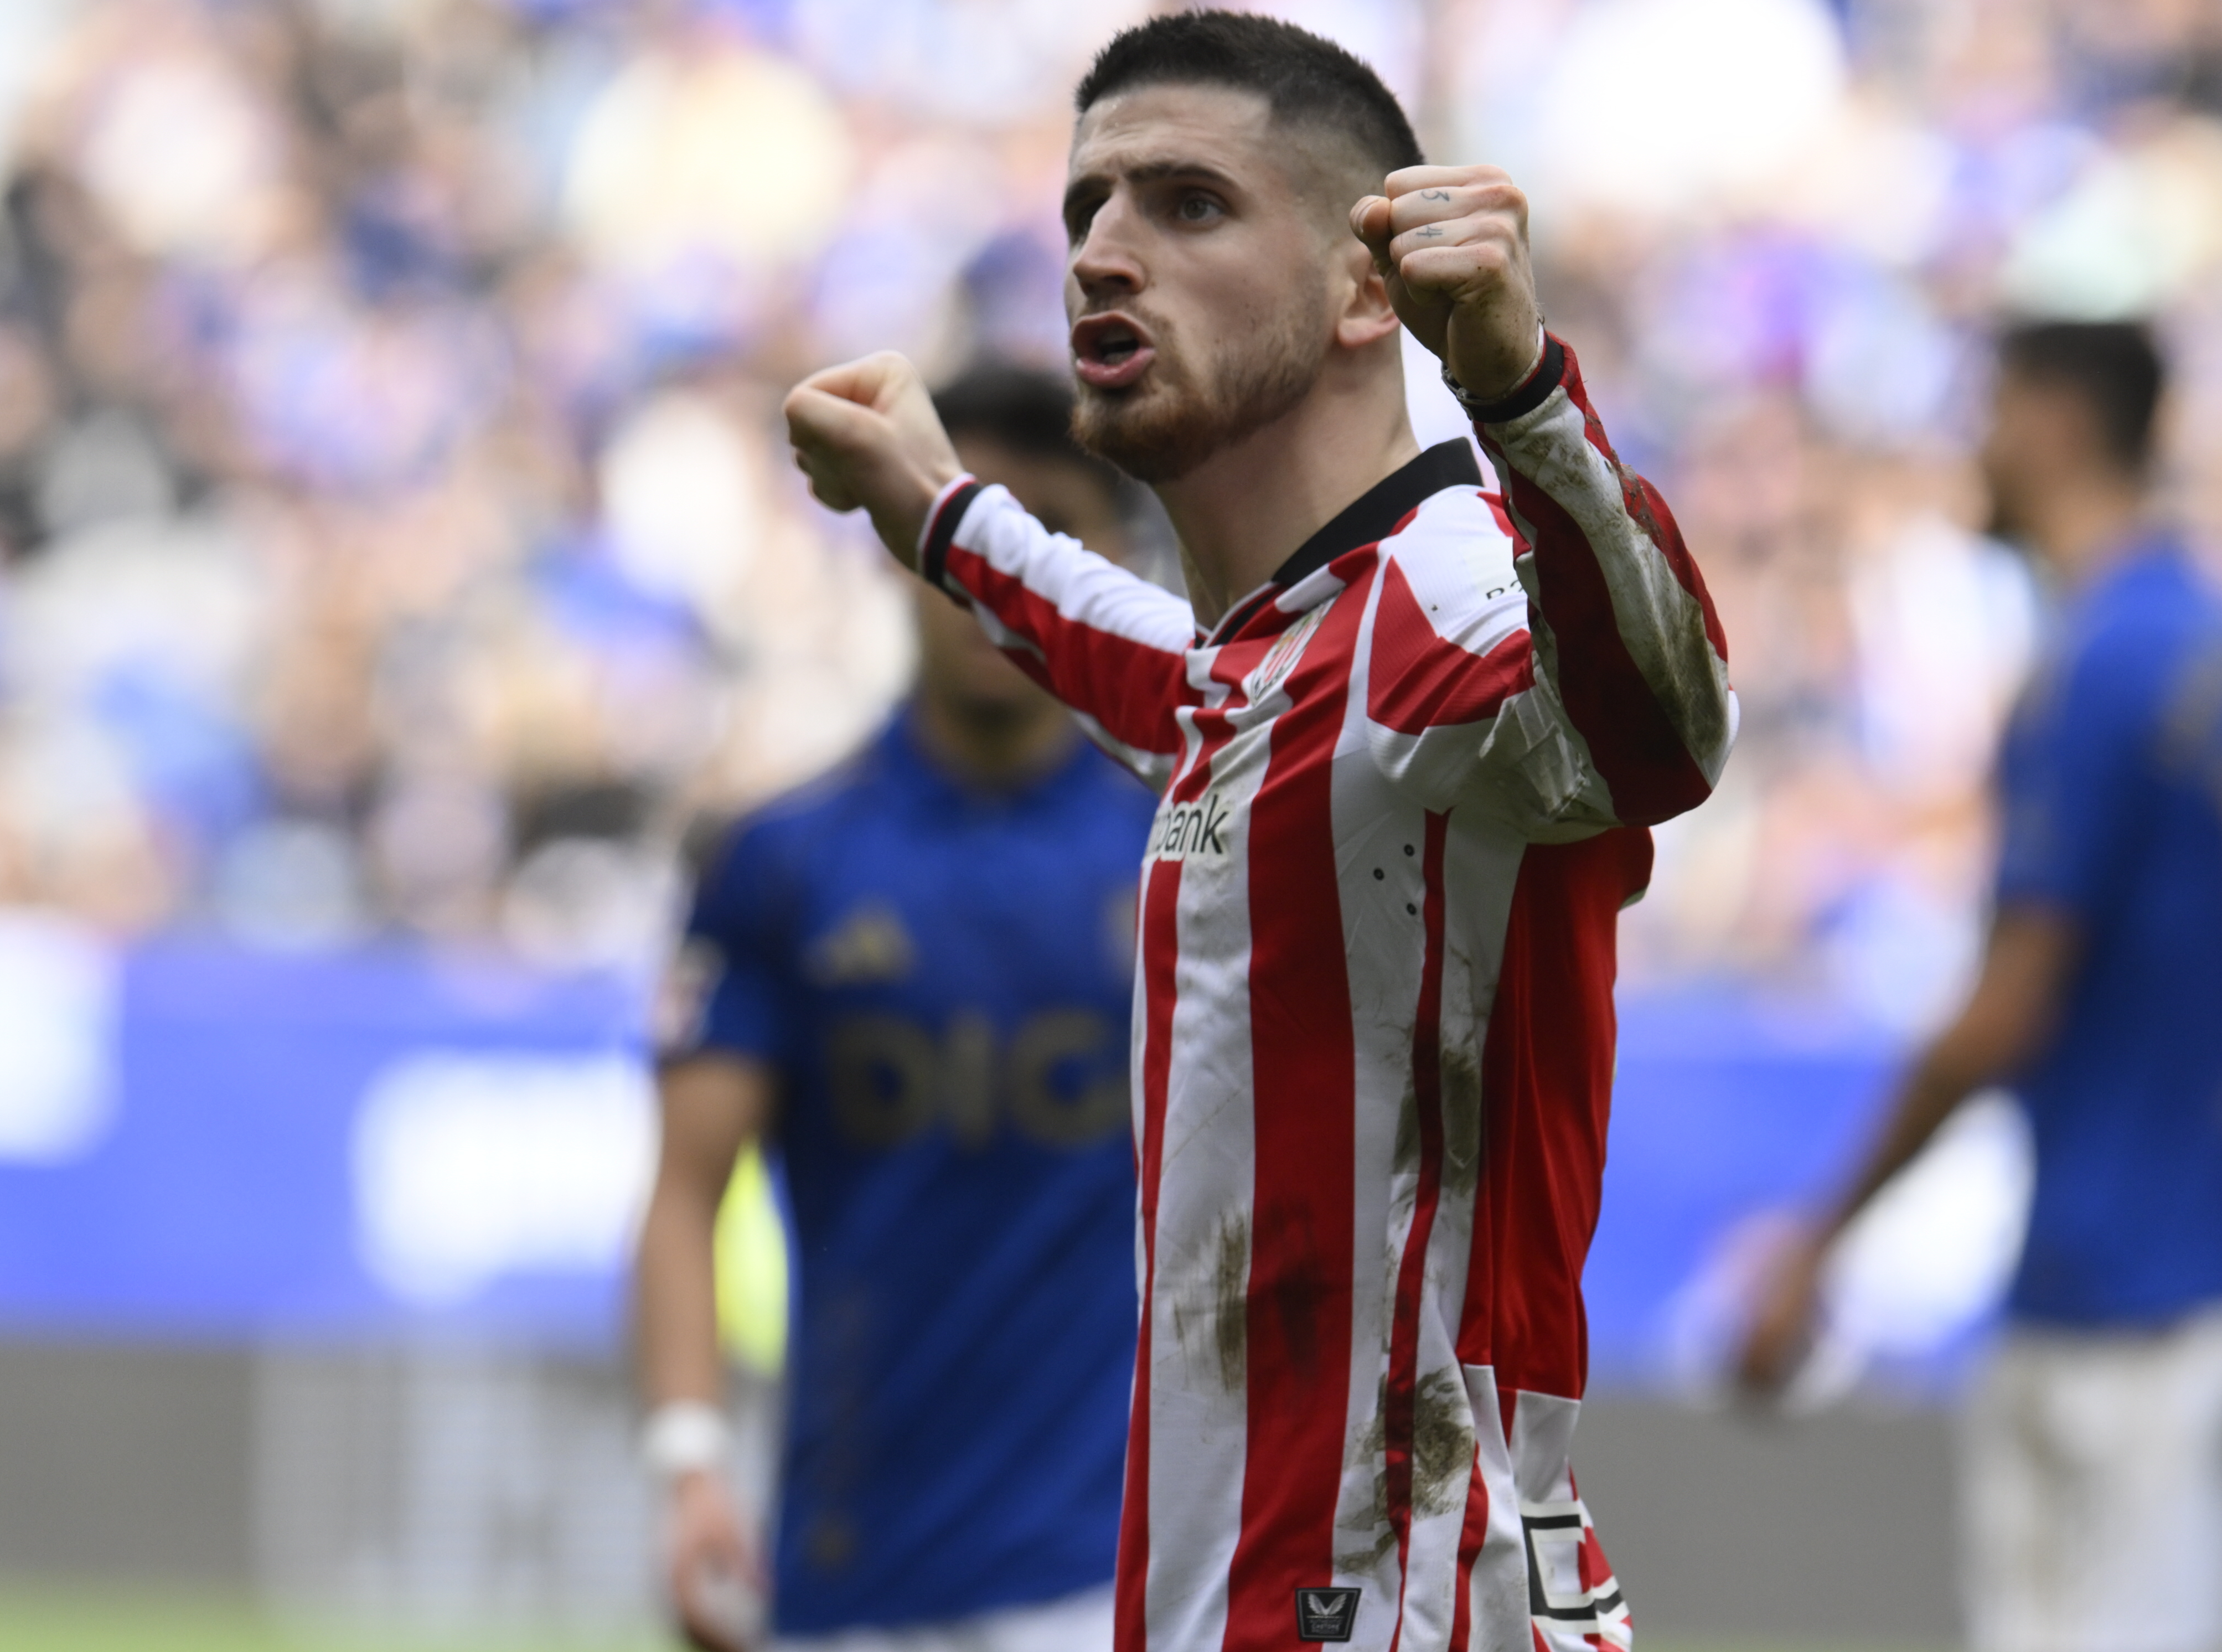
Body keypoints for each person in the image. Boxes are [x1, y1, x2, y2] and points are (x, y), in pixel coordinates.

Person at [781, 13, 1734, 1651]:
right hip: (1265, 1591)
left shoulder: (1448, 591)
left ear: (1370, 289)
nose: (1102, 252)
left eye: (1189, 204)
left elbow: (1667, 726)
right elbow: (1180, 686)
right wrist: (938, 511)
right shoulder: (1292, 650)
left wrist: (1519, 387)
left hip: (1404, 1600)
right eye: (1086, 208)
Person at [634, 366, 1155, 1652]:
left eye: (1047, 526)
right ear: (898, 545)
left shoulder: (1195, 848)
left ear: (1108, 561)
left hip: (1121, 1578)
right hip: (849, 1570)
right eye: (961, 520)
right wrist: (688, 1460)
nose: (992, 573)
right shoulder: (781, 859)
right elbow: (685, 1188)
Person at [1737, 321, 2222, 1651]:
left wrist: (1818, 1238)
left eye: (1991, 412)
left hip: (2117, 1301)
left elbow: (2005, 1004)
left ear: (2055, 420)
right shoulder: (2186, 639)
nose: (1975, 448)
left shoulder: (2101, 665)